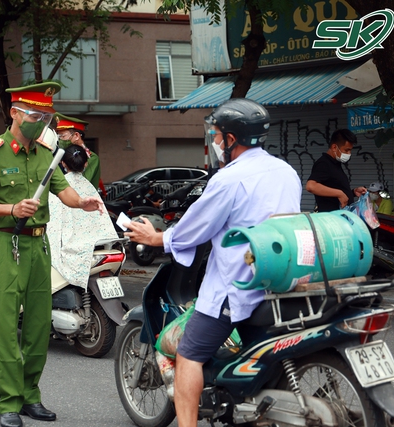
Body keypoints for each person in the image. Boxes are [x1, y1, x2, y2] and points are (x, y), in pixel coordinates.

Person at [124, 99, 301, 426]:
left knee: (189, 353)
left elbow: (195, 227)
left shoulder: (228, 180)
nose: (216, 142)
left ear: (232, 139)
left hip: (239, 285)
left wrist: (156, 238)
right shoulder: (286, 172)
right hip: (282, 279)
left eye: (218, 136)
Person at [0, 82, 104, 427]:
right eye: (34, 114)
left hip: (39, 246)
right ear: (14, 112)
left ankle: (31, 396)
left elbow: (63, 191)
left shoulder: (46, 152)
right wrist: (12, 208)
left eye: (45, 116)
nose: (40, 121)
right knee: (4, 325)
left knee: (39, 325)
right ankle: (9, 402)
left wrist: (83, 202)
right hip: (4, 244)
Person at [48, 145, 118, 285]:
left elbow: (52, 227)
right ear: (86, 164)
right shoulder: (90, 188)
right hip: (98, 245)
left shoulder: (60, 188)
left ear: (62, 163)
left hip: (69, 248)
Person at [306, 129, 366, 212]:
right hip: (330, 219)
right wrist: (339, 194)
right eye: (346, 150)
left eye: (350, 150)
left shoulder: (335, 164)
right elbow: (311, 186)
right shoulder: (324, 163)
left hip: (340, 218)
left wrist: (353, 192)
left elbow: (333, 187)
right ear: (334, 147)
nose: (349, 154)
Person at [55, 113, 101, 190]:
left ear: (76, 136)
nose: (60, 140)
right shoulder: (60, 155)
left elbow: (79, 183)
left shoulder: (91, 158)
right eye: (58, 137)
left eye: (63, 136)